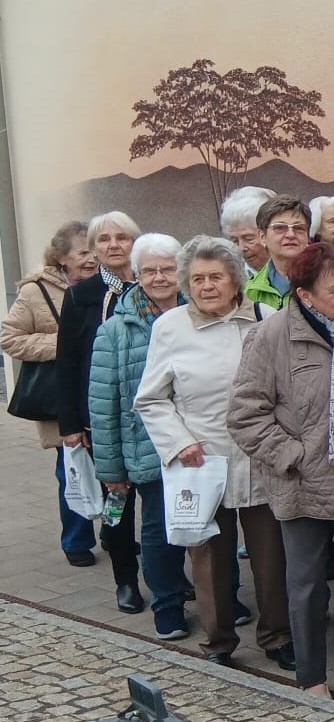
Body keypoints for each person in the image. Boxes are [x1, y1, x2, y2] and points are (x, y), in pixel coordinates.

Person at [228, 243, 334, 697]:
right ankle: (312, 679)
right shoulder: (271, 336)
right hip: (303, 484)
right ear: (305, 295)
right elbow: (245, 416)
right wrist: (291, 456)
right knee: (306, 586)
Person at [135, 235, 289, 666]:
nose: (206, 286)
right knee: (209, 560)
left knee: (271, 557)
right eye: (197, 278)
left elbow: (289, 392)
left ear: (235, 278)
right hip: (201, 461)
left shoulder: (268, 318)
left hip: (260, 457)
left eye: (215, 277)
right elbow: (151, 398)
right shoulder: (170, 327)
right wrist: (179, 442)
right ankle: (220, 642)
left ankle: (277, 636)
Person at [87, 233, 195, 641]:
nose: (159, 276)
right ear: (135, 274)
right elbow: (104, 405)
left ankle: (222, 598)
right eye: (149, 270)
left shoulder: (202, 314)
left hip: (202, 445)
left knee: (208, 527)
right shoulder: (116, 330)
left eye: (167, 268)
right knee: (159, 530)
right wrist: (111, 469)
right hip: (148, 448)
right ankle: (168, 605)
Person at [55, 211, 144, 613]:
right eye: (103, 239)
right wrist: (72, 424)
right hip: (104, 420)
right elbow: (68, 362)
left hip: (151, 416)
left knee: (160, 507)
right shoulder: (82, 296)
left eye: (121, 237)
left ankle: (169, 576)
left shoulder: (152, 286)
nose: (113, 245)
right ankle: (125, 579)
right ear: (93, 248)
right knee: (118, 505)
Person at [2, 221, 99, 566]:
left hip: (100, 392)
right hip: (64, 396)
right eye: (84, 251)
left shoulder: (108, 285)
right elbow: (9, 338)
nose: (92, 258)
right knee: (71, 469)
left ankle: (115, 535)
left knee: (109, 470)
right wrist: (61, 344)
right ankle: (76, 540)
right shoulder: (34, 291)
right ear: (61, 257)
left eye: (94, 250)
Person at [243, 195, 311, 310]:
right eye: (280, 228)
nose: (291, 235)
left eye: (299, 228)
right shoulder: (250, 290)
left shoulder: (330, 279)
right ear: (262, 236)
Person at [220, 187, 276, 276]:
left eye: (248, 238)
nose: (241, 248)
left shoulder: (298, 271)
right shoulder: (231, 277)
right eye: (234, 241)